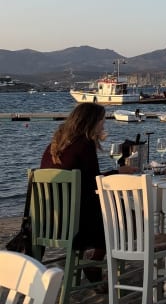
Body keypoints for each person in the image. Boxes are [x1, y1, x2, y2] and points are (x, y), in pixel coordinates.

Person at [40, 102, 135, 280]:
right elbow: (94, 182)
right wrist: (117, 172)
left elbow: (83, 180)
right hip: (75, 225)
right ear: (91, 122)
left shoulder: (54, 145)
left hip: (49, 222)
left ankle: (93, 264)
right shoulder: (84, 144)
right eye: (101, 121)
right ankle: (96, 261)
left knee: (117, 212)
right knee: (128, 217)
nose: (103, 125)